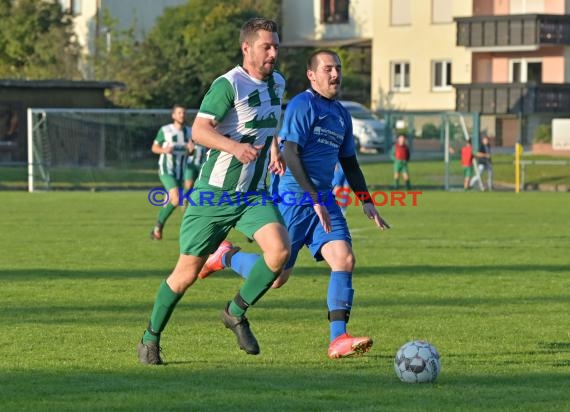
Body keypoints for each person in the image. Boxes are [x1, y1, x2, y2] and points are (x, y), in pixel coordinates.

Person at [199, 50, 390, 360]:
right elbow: (290, 154)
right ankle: (226, 257)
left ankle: (338, 339)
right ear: (311, 75)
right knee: (276, 279)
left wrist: (366, 202)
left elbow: (350, 162)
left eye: (338, 68)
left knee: (344, 260)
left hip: (323, 199)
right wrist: (313, 198)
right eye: (328, 68)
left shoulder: (341, 114)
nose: (335, 74)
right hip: (295, 198)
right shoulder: (303, 105)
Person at [137, 17, 290, 365]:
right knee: (186, 274)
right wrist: (234, 148)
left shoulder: (278, 83)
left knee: (280, 253)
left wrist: (275, 150)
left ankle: (235, 312)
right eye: (266, 46)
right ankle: (150, 338)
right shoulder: (228, 85)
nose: (273, 53)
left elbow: (268, 126)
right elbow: (200, 131)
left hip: (253, 194)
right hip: (215, 196)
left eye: (276, 46)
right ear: (246, 48)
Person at [149, 105, 193, 240]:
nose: (182, 115)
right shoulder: (166, 130)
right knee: (176, 199)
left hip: (180, 171)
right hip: (166, 169)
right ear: (173, 115)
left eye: (184, 113)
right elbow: (154, 147)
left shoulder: (189, 132)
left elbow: (191, 152)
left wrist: (192, 150)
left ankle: (156, 229)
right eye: (179, 113)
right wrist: (164, 150)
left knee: (174, 200)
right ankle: (158, 226)